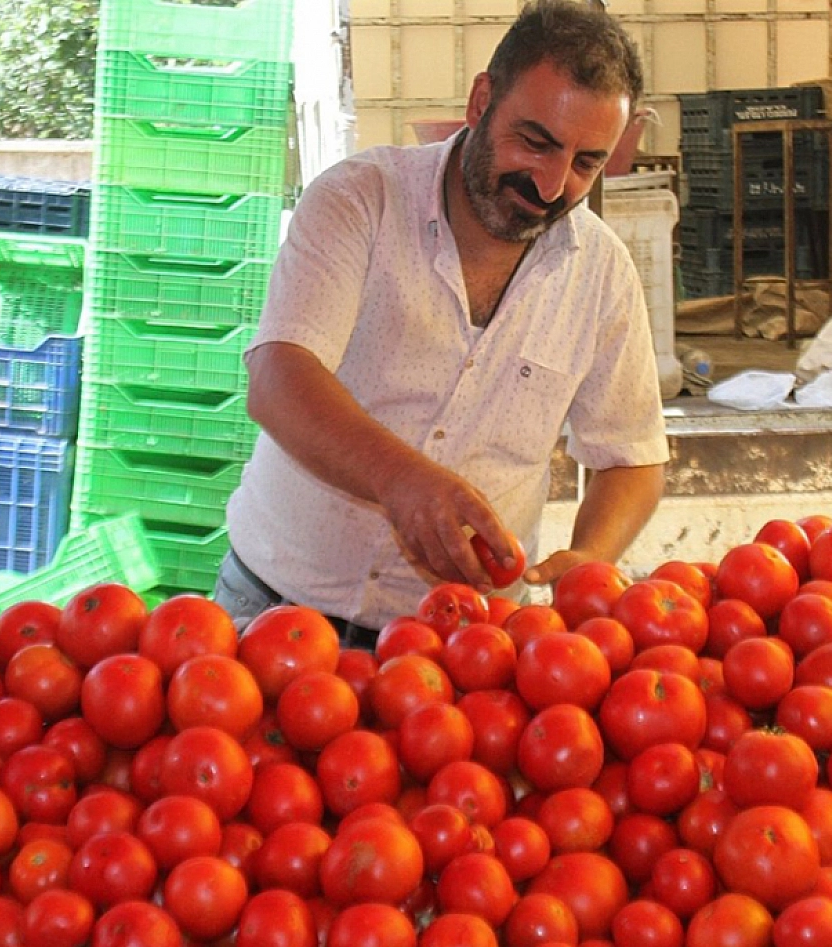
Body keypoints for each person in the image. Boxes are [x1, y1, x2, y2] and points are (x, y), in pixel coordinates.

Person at [214, 0, 671, 645]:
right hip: (275, 611)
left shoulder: (601, 273)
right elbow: (279, 377)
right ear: (482, 101)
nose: (550, 183)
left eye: (585, 163)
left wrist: (592, 556)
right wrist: (400, 479)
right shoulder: (359, 201)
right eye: (535, 142)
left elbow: (633, 457)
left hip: (465, 646)